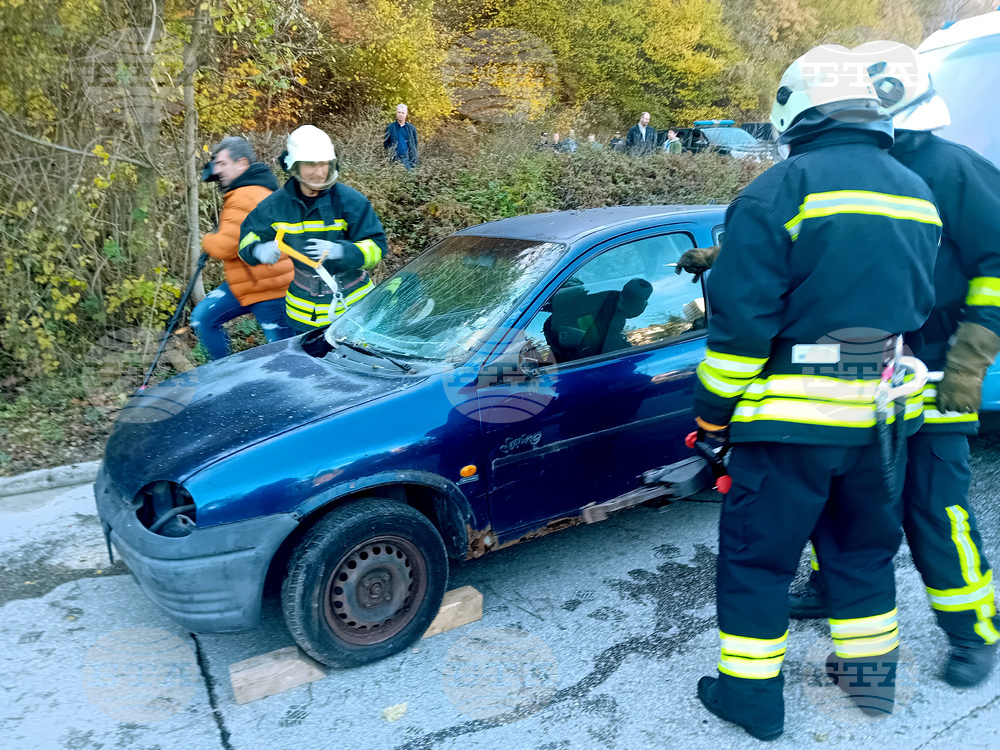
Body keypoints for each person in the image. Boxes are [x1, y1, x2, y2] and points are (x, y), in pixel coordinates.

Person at [689, 45, 941, 740]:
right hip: (886, 415)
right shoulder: (917, 193)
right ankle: (870, 686)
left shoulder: (780, 190)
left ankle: (751, 699)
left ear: (794, 109)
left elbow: (739, 333)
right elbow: (920, 304)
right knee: (860, 552)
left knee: (759, 560)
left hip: (792, 424)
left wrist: (711, 420)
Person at [784, 42, 1000, 688]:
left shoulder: (954, 170)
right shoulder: (851, 165)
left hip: (934, 375)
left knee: (937, 509)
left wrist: (967, 363)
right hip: (854, 372)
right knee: (850, 496)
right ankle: (832, 587)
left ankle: (976, 633)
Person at [240, 125, 387, 333]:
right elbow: (247, 238)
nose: (319, 172)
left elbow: (377, 247)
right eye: (311, 164)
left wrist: (342, 251)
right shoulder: (274, 207)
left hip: (354, 309)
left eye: (324, 164)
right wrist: (257, 250)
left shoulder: (351, 202)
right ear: (294, 166)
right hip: (301, 314)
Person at [191, 137, 294, 359]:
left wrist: (208, 239)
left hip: (271, 289)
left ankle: (228, 375)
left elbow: (228, 246)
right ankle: (225, 374)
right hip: (248, 284)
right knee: (203, 318)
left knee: (285, 356)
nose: (217, 171)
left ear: (242, 163)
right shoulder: (251, 189)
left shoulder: (246, 194)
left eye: (222, 164)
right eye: (216, 164)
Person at [383, 103, 418, 169]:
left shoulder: (412, 129)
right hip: (395, 159)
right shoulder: (390, 128)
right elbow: (386, 144)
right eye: (399, 112)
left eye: (403, 113)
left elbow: (415, 144)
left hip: (408, 160)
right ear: (396, 113)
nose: (400, 115)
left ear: (406, 114)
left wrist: (413, 160)